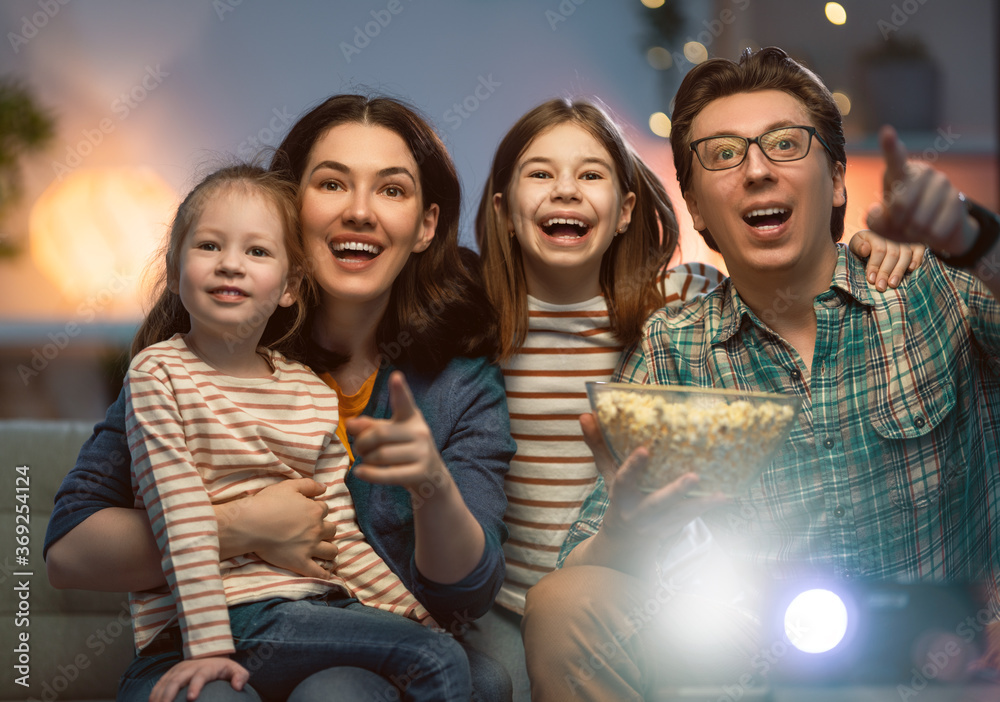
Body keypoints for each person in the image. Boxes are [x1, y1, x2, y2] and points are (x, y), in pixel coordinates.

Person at [521, 47, 1000, 701]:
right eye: (721, 153)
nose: (755, 171)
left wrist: (972, 237)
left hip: (950, 650)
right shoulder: (675, 347)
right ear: (693, 205)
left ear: (836, 180)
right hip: (765, 668)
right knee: (563, 603)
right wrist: (624, 531)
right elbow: (580, 564)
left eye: (784, 144)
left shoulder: (934, 287)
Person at [44, 95, 516, 702]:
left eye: (391, 190)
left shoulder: (454, 383)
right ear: (292, 207)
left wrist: (433, 488)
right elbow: (69, 555)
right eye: (331, 183)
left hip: (355, 642)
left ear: (426, 225)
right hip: (203, 639)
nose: (360, 211)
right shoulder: (199, 357)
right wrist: (243, 526)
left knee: (351, 689)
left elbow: (461, 591)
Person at [122, 162, 472, 702]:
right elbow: (177, 511)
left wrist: (410, 617)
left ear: (289, 287)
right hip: (226, 617)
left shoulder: (308, 390)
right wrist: (210, 647)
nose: (231, 265)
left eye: (257, 252)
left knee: (453, 659)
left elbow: (339, 533)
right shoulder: (158, 373)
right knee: (439, 660)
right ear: (173, 271)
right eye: (210, 246)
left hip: (316, 608)